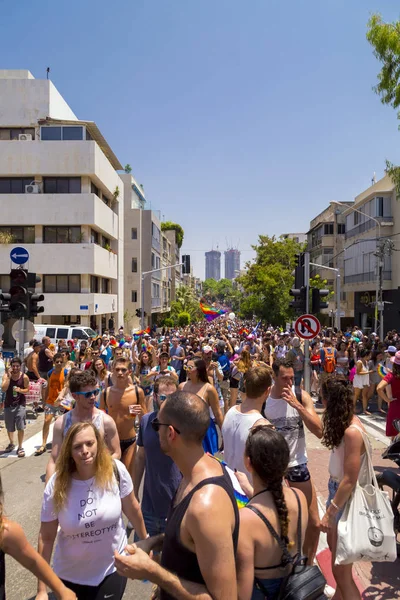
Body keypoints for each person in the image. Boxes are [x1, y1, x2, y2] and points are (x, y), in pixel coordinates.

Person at [114, 391, 239, 600]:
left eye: (157, 426)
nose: (154, 431)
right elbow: (189, 538)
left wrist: (152, 572)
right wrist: (153, 542)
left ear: (170, 433)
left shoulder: (205, 506)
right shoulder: (193, 473)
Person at [37, 422, 147, 600]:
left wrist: (145, 542)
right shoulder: (57, 484)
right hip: (69, 576)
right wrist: (42, 590)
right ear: (69, 452)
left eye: (90, 443)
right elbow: (46, 537)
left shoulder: (116, 470)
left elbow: (133, 508)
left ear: (98, 443)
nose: (85, 450)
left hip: (112, 568)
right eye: (77, 446)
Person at [236, 425, 308, 600]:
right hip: (293, 588)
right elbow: (275, 509)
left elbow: (243, 594)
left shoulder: (245, 519)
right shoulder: (299, 498)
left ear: (248, 463)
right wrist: (250, 490)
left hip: (262, 592)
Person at [263, 358, 322, 564]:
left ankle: (308, 566)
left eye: (292, 377)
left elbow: (319, 431)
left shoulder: (300, 395)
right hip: (272, 469)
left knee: (314, 523)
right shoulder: (264, 399)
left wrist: (298, 406)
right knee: (278, 523)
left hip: (297, 464)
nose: (289, 382)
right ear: (274, 376)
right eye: (284, 378)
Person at [320, 376, 369, 600]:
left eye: (323, 400)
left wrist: (330, 512)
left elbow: (349, 478)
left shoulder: (352, 432)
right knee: (339, 566)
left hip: (343, 498)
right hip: (338, 494)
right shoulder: (347, 424)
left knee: (341, 571)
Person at [46, 370, 120, 482]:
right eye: (87, 394)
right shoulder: (61, 423)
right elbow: (54, 459)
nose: (93, 397)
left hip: (99, 480)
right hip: (70, 481)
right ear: (75, 396)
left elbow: (116, 452)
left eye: (95, 392)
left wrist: (98, 468)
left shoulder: (106, 421)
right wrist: (49, 488)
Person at [133, 376, 181, 542]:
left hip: (176, 507)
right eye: (163, 397)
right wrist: (134, 490)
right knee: (142, 557)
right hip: (149, 508)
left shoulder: (184, 425)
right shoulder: (146, 421)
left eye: (172, 397)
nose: (167, 401)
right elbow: (140, 457)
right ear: (154, 397)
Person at [222, 365, 272, 479]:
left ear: (244, 384)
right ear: (268, 391)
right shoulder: (262, 426)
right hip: (250, 491)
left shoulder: (230, 412)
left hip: (229, 486)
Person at [100, 357, 147, 478]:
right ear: (113, 371)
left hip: (129, 441)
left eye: (123, 370)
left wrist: (139, 411)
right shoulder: (106, 393)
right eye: (117, 370)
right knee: (109, 477)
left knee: (126, 477)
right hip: (110, 441)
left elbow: (145, 418)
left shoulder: (137, 392)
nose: (120, 373)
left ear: (129, 372)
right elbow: (99, 416)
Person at [179, 358, 223, 455]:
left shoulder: (209, 389)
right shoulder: (182, 386)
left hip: (204, 431)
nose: (187, 370)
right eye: (186, 367)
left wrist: (224, 435)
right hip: (184, 429)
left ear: (199, 370)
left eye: (190, 367)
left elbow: (217, 413)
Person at [35, 354, 69, 456]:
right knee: (46, 421)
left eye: (60, 361)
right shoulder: (50, 373)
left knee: (59, 422)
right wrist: (44, 401)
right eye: (57, 361)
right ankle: (43, 444)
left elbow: (67, 386)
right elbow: (48, 387)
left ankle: (62, 444)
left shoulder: (66, 372)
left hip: (61, 402)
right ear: (54, 362)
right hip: (50, 401)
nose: (59, 363)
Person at [1, 358, 29, 457]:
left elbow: (27, 390)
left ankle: (20, 447)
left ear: (20, 366)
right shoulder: (6, 376)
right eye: (13, 366)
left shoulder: (24, 377)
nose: (15, 368)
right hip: (8, 405)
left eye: (17, 366)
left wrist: (20, 390)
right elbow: (3, 389)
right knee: (9, 427)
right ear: (11, 366)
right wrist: (8, 377)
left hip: (20, 404)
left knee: (20, 427)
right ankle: (11, 443)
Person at [377, 350, 400, 439]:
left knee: (394, 436)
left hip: (395, 405)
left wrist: (387, 399)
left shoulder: (391, 375)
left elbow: (379, 388)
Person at [353, 348, 373, 415]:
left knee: (364, 395)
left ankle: (365, 410)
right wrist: (369, 372)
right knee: (356, 394)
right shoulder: (359, 362)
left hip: (365, 380)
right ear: (366, 355)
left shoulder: (366, 362)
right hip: (359, 380)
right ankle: (352, 408)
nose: (370, 357)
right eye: (369, 355)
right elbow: (358, 372)